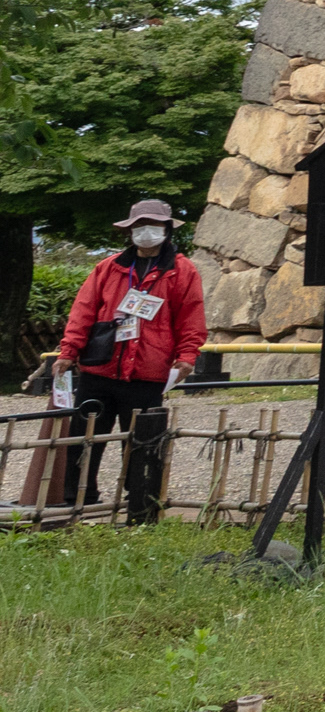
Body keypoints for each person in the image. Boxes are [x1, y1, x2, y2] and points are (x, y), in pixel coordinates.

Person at [53, 199, 204, 518]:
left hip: (148, 372)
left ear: (165, 229)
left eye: (152, 226)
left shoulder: (182, 270)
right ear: (130, 230)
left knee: (142, 443)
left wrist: (187, 355)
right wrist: (68, 352)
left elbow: (191, 317)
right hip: (99, 367)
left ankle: (141, 505)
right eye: (139, 226)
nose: (145, 232)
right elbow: (83, 311)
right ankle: (77, 500)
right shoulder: (108, 268)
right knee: (83, 438)